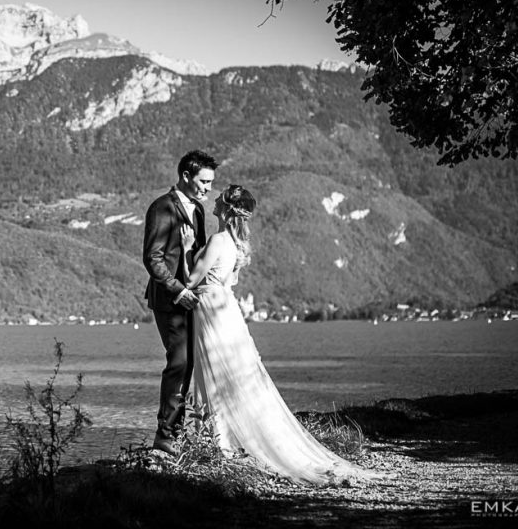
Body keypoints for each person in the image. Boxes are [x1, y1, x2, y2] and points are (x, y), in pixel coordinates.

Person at [180, 184, 384, 485]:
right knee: (235, 373)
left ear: (225, 209)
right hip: (227, 311)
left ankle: (221, 443)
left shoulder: (217, 240)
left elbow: (192, 278)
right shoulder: (236, 245)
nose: (215, 198)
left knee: (213, 375)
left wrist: (186, 247)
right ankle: (229, 440)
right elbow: (228, 279)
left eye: (220, 197)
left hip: (210, 310)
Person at [142, 150, 218, 455]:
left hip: (192, 299)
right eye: (203, 181)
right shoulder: (161, 208)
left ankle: (180, 432)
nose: (208, 188)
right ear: (186, 176)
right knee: (179, 363)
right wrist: (178, 290)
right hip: (170, 300)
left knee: (190, 364)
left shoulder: (198, 210)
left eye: (211, 182)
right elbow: (152, 258)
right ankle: (166, 435)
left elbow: (195, 255)